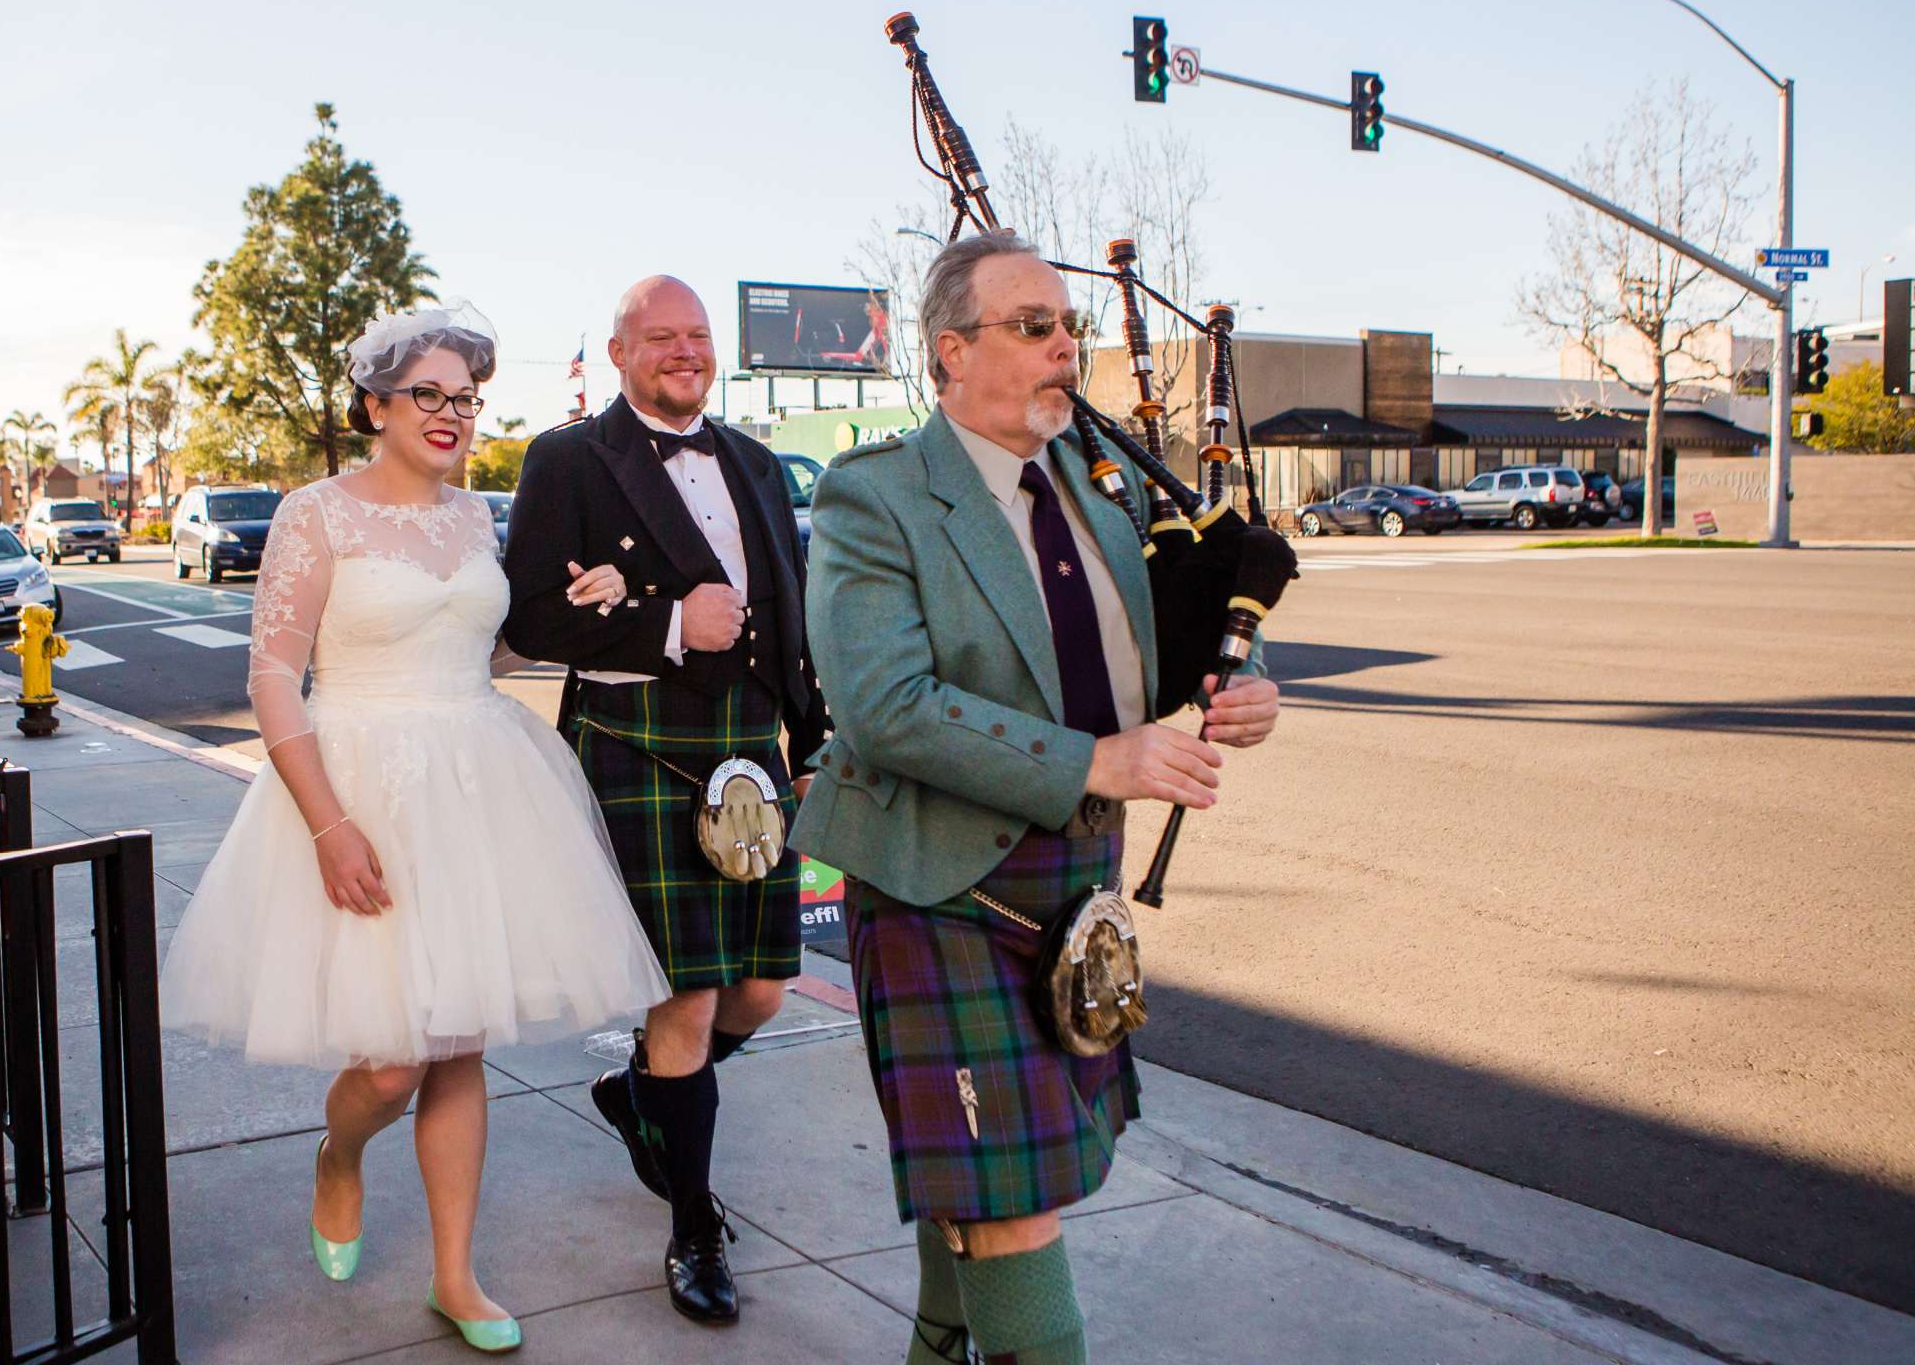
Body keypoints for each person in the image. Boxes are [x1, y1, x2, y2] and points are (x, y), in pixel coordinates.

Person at [794, 230, 1284, 1364]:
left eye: (1069, 327)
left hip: (1072, 884)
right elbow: (885, 705)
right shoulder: (878, 498)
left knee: (982, 1177)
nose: (1066, 348)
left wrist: (1243, 689)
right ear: (950, 355)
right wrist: (1095, 762)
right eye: (1034, 327)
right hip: (936, 879)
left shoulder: (1100, 495)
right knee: (1010, 1197)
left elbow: (1151, 657)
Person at [160, 305, 671, 1355]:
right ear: (376, 405)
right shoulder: (317, 513)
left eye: (468, 397)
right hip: (360, 788)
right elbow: (271, 676)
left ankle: (454, 1272)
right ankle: (339, 1157)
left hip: (478, 786)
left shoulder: (476, 515)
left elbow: (480, 655)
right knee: (390, 1062)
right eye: (430, 395)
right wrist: (328, 825)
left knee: (455, 1046)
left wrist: (594, 600)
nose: (453, 415)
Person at [502, 275, 831, 1325]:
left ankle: (640, 1094)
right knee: (686, 994)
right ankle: (692, 1224)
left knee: (763, 990)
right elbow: (533, 620)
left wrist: (812, 740)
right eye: (661, 337)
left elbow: (789, 610)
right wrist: (669, 624)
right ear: (618, 352)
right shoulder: (567, 458)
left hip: (750, 742)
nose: (685, 351)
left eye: (697, 336)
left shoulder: (754, 460)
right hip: (638, 743)